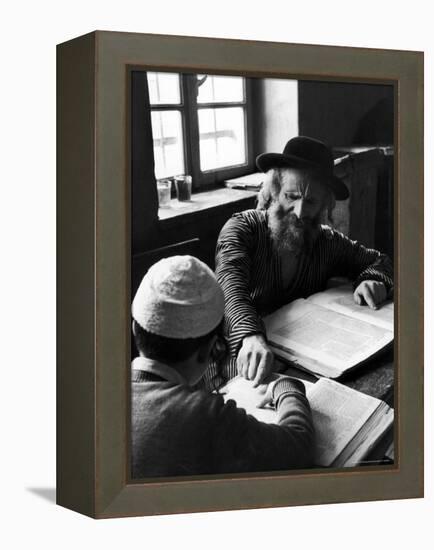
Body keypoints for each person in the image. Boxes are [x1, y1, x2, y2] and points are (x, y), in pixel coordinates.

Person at [211, 136, 393, 389]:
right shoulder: (242, 229)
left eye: (310, 201)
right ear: (274, 190)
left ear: (325, 204)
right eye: (291, 196)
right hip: (241, 357)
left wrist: (374, 279)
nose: (299, 212)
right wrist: (250, 336)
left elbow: (379, 260)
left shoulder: (327, 242)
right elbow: (230, 287)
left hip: (305, 365)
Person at [131, 255, 314, 478]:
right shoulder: (202, 416)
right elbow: (298, 448)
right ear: (208, 350)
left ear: (135, 329)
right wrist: (286, 388)